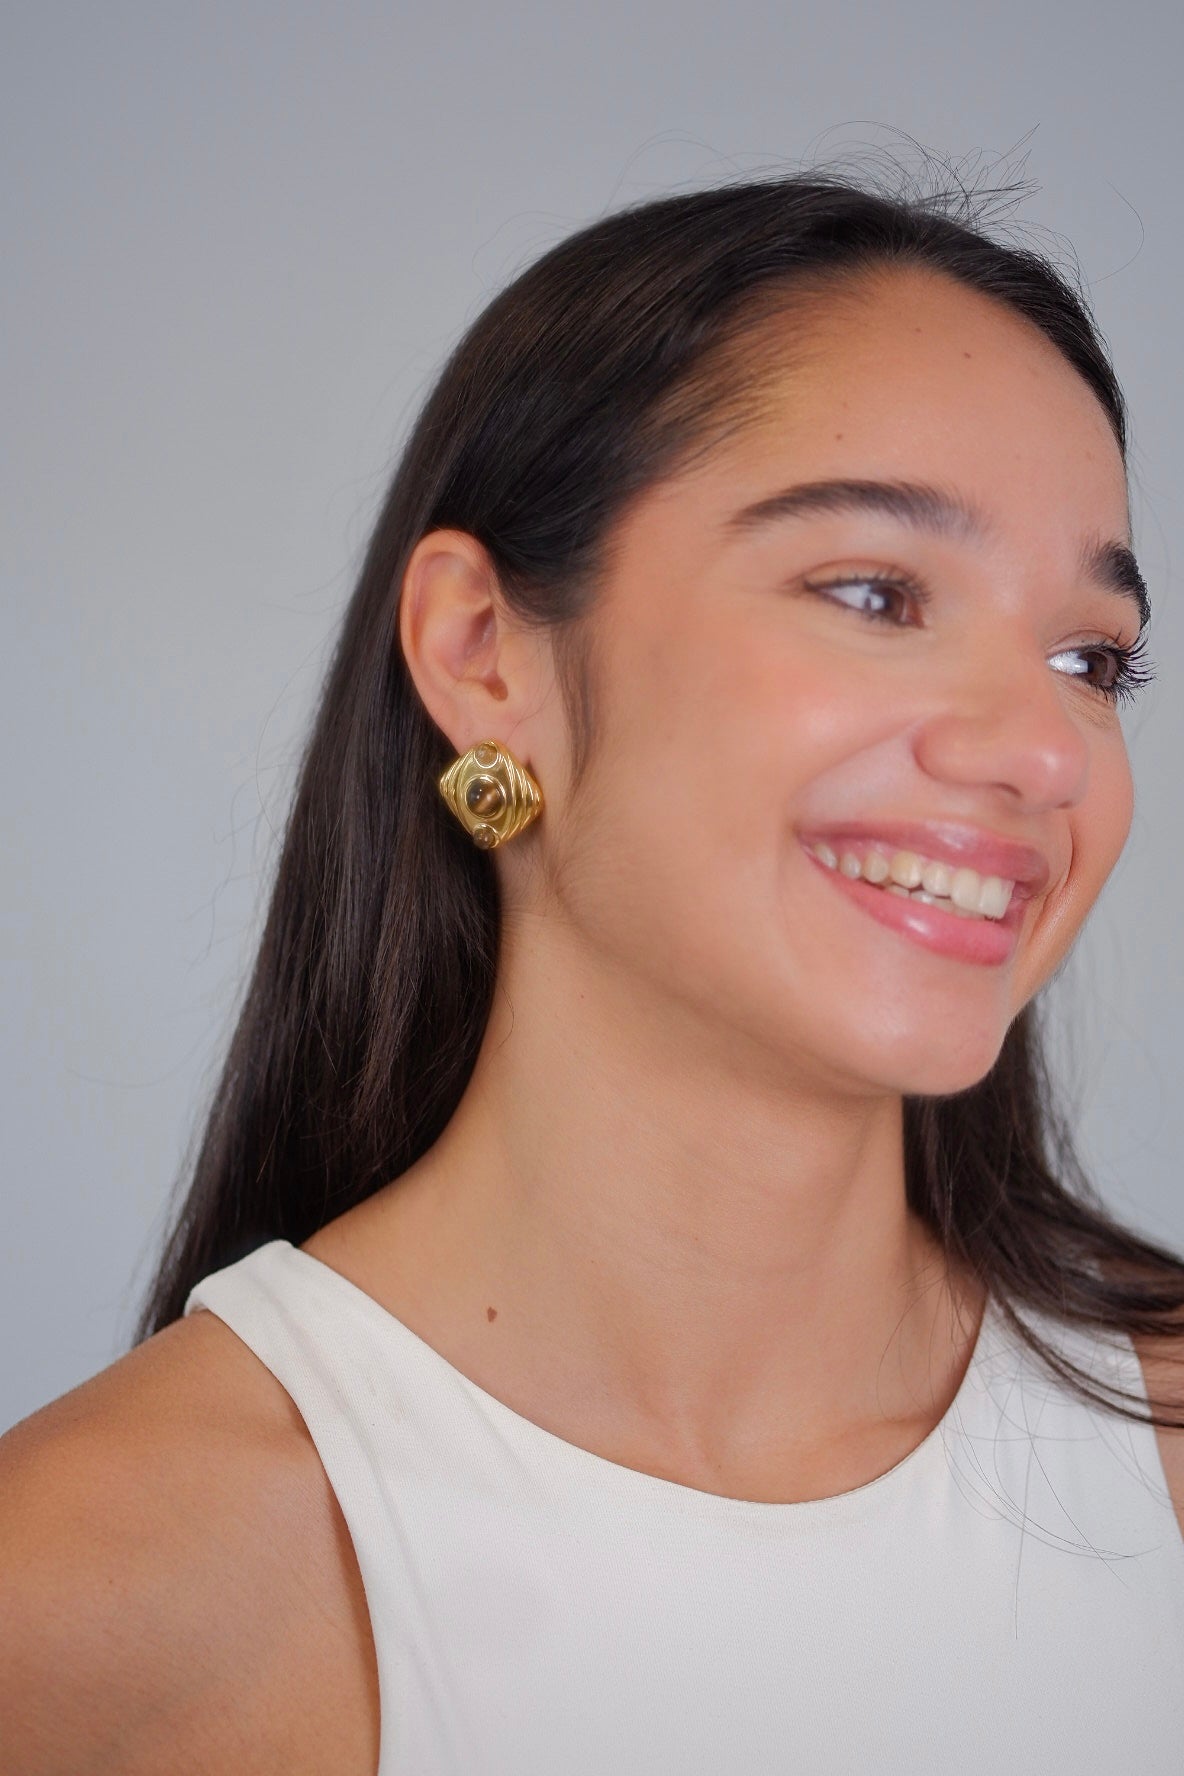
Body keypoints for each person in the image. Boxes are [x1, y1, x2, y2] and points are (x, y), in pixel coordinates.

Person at [3, 163, 1184, 1775]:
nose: (1044, 752)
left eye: (1090, 659)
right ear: (484, 653)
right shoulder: (85, 1601)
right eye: (875, 593)